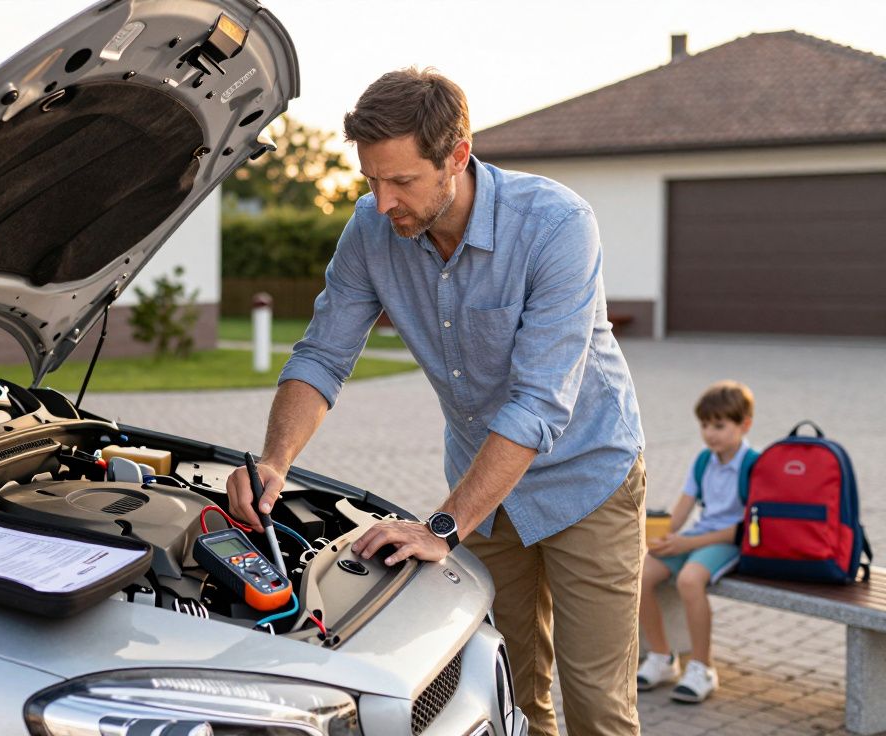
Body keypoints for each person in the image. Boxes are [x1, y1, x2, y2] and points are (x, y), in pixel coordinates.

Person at [226, 67, 645, 735]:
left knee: (596, 706)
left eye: (401, 181)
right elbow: (323, 354)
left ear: (457, 157)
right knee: (511, 690)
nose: (382, 201)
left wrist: (443, 527)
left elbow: (538, 403)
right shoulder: (371, 230)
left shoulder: (557, 226)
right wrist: (275, 462)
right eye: (371, 179)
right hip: (486, 489)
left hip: (586, 479)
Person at [637, 380, 756, 703]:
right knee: (641, 574)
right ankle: (662, 657)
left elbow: (743, 530)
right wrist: (659, 540)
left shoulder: (752, 465)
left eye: (719, 425)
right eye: (705, 425)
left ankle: (703, 668)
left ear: (744, 425)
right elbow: (681, 511)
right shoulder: (704, 461)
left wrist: (687, 544)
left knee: (690, 580)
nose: (710, 433)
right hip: (698, 536)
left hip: (729, 542)